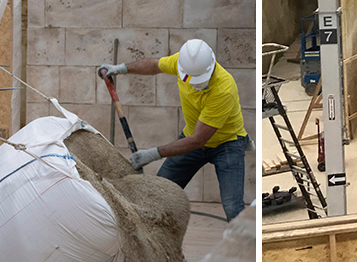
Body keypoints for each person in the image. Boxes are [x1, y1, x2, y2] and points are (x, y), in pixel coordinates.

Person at [98, 39, 248, 221]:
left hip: (227, 144)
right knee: (158, 195)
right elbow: (154, 65)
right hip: (191, 137)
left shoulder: (224, 89)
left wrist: (152, 154)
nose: (194, 84)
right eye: (190, 79)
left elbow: (199, 140)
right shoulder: (181, 63)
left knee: (233, 208)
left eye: (199, 80)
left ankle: (244, 238)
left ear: (211, 68)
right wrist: (121, 68)